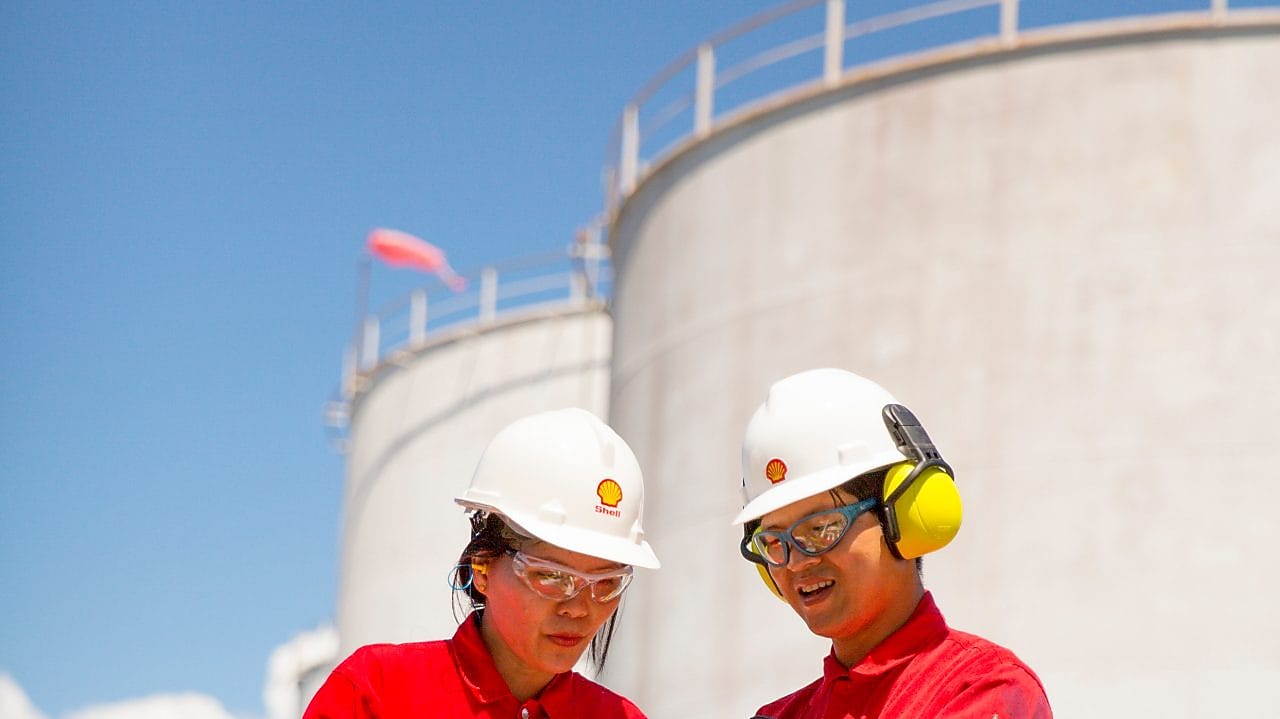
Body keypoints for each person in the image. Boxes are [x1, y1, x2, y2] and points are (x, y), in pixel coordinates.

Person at [303, 408, 660, 719]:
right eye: (552, 576)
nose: (579, 609)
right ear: (482, 567)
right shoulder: (377, 692)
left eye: (606, 583)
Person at [734, 368, 1051, 718]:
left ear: (899, 514)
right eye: (773, 542)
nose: (795, 562)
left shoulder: (984, 688)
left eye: (822, 528)